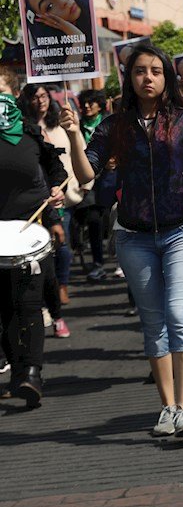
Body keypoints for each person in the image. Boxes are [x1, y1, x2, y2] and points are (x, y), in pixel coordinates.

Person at [62, 42, 183, 437]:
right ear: (130, 78)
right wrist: (74, 134)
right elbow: (86, 173)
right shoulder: (115, 125)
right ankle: (167, 407)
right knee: (154, 322)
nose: (148, 78)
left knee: (179, 313)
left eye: (156, 71)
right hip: (133, 236)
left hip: (182, 231)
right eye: (140, 71)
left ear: (166, 78)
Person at [0, 68, 66, 407]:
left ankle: (32, 375)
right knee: (4, 310)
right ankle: (16, 375)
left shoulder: (28, 134)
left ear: (13, 95)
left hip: (30, 232)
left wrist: (56, 197)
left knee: (28, 305)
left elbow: (55, 170)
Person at [17, 84, 87, 337]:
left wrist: (81, 182)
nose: (40, 101)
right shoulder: (19, 128)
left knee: (59, 249)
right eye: (34, 97)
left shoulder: (57, 125)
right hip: (25, 208)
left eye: (44, 96)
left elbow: (66, 161)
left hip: (56, 201)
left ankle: (59, 297)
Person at [75, 89, 110, 282]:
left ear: (100, 104)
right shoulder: (76, 126)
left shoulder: (109, 122)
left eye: (91, 102)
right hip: (87, 182)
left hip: (110, 178)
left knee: (112, 221)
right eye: (84, 103)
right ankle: (97, 263)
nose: (87, 106)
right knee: (93, 220)